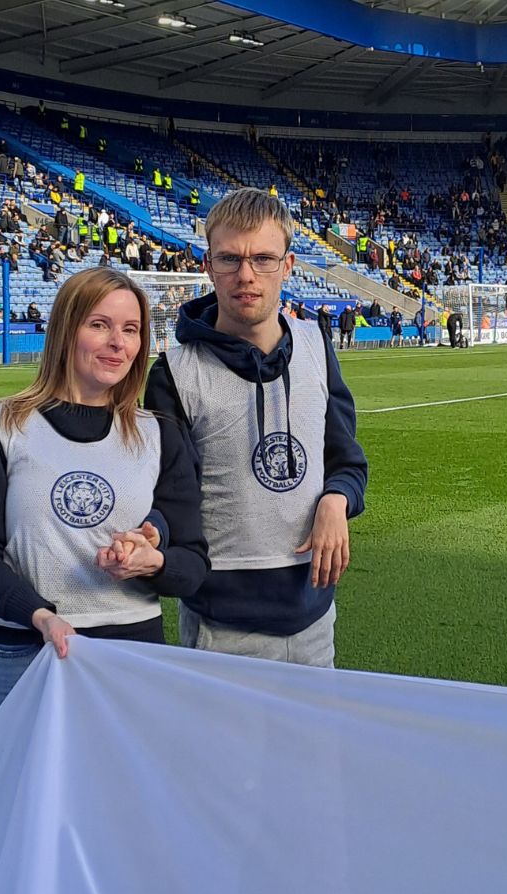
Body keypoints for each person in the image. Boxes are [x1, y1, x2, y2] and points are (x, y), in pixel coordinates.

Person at [0, 267, 209, 737]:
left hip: (131, 653)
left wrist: (152, 562)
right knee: (22, 784)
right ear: (66, 330)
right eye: (99, 325)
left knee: (121, 785)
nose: (117, 343)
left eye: (131, 330)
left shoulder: (159, 434)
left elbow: (192, 564)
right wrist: (40, 615)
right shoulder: (0, 427)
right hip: (26, 652)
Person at [144, 188, 368, 668]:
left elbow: (347, 462)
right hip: (221, 628)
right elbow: (170, 498)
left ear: (288, 267)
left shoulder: (316, 347)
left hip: (314, 620)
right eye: (230, 259)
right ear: (208, 266)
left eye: (263, 259)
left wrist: (336, 500)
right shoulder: (174, 374)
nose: (246, 275)